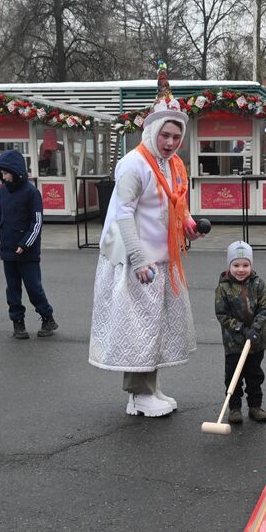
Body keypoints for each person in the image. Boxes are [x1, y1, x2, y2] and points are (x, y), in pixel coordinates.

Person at [88, 63, 203, 418]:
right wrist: (138, 259)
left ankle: (149, 389)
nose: (170, 143)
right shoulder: (132, 165)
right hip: (137, 262)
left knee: (154, 326)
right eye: (165, 135)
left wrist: (187, 223)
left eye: (176, 137)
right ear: (151, 131)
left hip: (162, 259)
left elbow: (175, 202)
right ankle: (138, 395)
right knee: (139, 327)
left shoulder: (173, 164)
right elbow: (123, 213)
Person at [0, 150, 56, 339]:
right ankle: (18, 322)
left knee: (34, 288)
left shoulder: (32, 192)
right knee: (13, 290)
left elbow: (36, 223)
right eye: (1, 173)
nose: (3, 177)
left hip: (27, 252)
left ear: (16, 171)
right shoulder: (2, 192)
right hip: (8, 251)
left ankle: (47, 317)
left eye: (6, 173)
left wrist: (25, 244)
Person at [214, 240, 266, 425]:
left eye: (245, 265)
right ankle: (234, 408)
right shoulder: (223, 288)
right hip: (234, 342)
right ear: (229, 266)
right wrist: (240, 328)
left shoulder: (258, 284)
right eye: (236, 265)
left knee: (254, 375)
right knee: (233, 376)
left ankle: (255, 406)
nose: (241, 269)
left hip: (256, 341)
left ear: (251, 265)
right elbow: (222, 314)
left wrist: (255, 328)